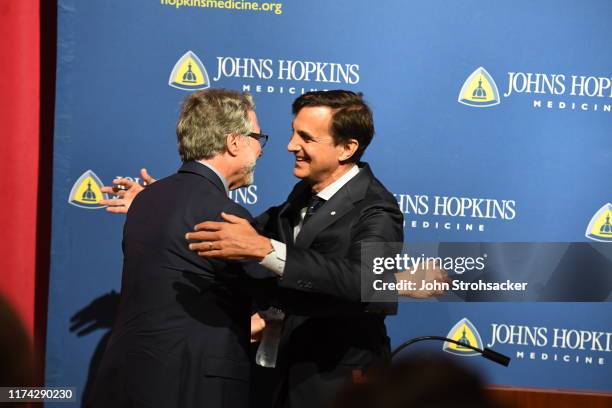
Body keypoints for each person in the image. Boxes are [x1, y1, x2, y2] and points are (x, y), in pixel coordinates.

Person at [102, 90, 448, 408]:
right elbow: (236, 235)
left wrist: (268, 250)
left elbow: (366, 281)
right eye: (293, 132)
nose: (289, 145)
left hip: (334, 385)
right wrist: (170, 201)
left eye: (306, 138)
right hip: (275, 381)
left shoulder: (376, 208)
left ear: (347, 148)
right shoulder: (300, 197)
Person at [88, 88, 270, 408]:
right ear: (234, 142)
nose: (261, 150)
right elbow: (274, 291)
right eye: (257, 137)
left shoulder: (146, 200)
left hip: (126, 383)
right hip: (191, 387)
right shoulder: (226, 216)